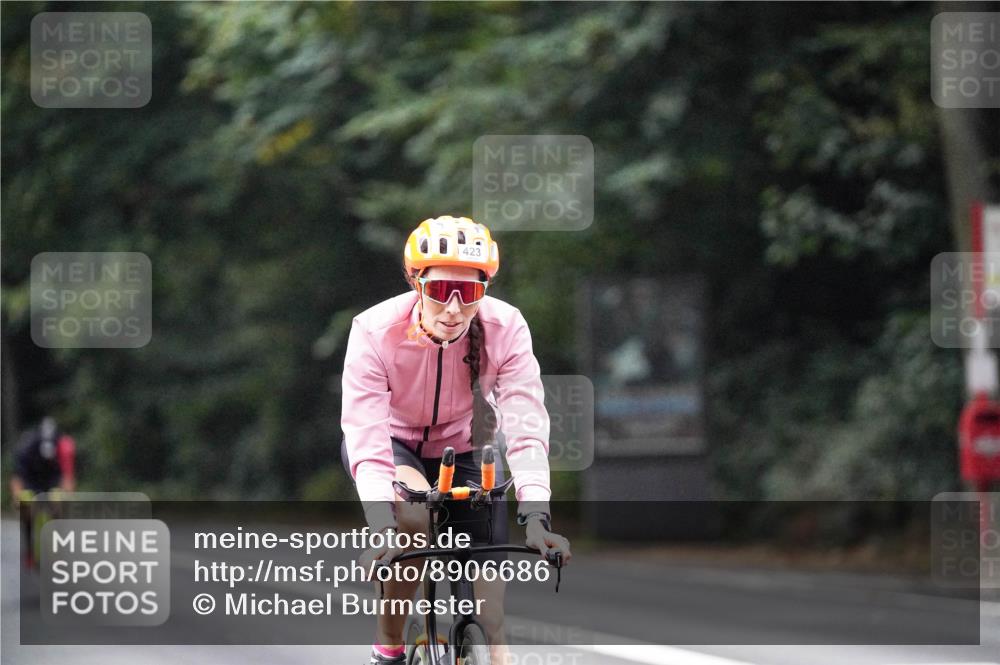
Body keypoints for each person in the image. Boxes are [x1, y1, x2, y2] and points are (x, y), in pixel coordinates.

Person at [340, 215, 572, 665]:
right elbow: (366, 437)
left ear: (484, 291)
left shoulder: (507, 327)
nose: (452, 308)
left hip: (465, 445)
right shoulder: (373, 330)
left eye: (467, 294)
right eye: (440, 290)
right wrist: (379, 526)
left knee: (491, 619)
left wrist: (537, 517)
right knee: (412, 517)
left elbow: (525, 425)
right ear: (415, 282)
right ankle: (388, 648)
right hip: (394, 443)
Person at [11, 416, 76, 569]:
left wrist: (67, 494)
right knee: (26, 507)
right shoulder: (26, 447)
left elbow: (67, 474)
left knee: (59, 503)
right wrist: (17, 496)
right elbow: (17, 477)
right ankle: (29, 549)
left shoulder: (62, 445)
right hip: (30, 480)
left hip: (51, 480)